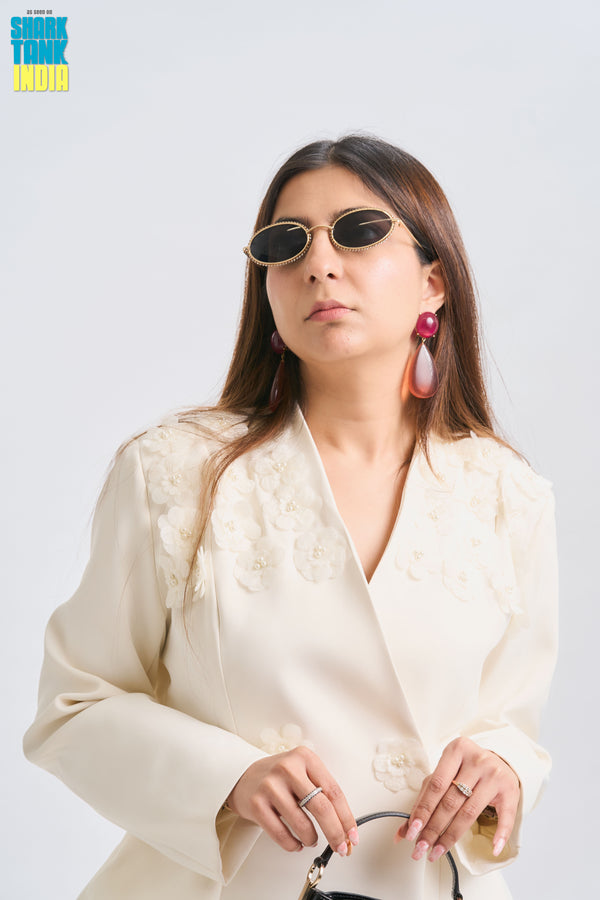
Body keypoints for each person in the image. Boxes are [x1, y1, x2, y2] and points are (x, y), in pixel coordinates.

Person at [24, 135, 558, 900]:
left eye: (358, 231)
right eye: (286, 243)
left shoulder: (508, 495)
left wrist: (504, 766)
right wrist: (228, 776)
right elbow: (72, 708)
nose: (319, 263)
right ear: (267, 288)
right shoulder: (175, 473)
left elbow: (512, 723)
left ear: (433, 282)